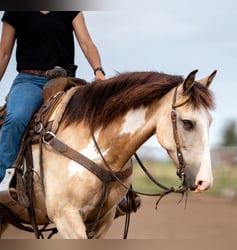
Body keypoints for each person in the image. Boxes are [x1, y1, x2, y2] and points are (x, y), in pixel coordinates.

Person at [0, 11, 140, 216]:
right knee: (16, 118)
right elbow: (3, 53)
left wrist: (98, 71)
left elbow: (86, 43)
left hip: (65, 81)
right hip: (30, 80)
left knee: (98, 117)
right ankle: (3, 179)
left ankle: (118, 190)